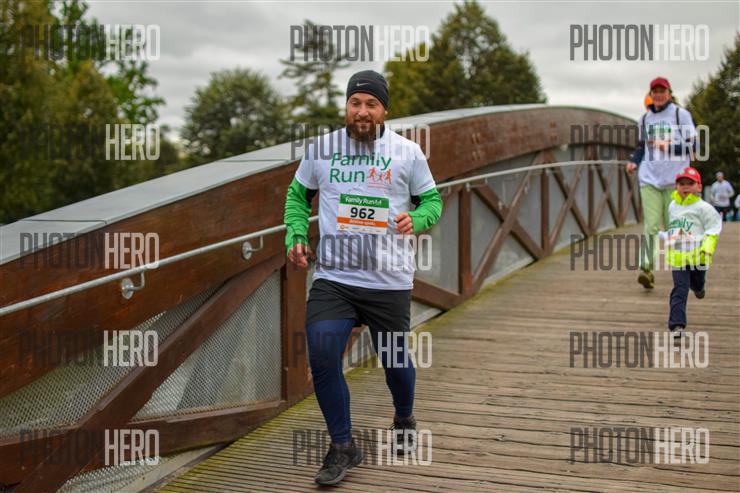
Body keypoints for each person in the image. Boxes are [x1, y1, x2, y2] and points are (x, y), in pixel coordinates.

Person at [283, 70, 443, 486]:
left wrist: (418, 218)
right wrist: (296, 233)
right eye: (355, 102)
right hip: (334, 276)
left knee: (395, 362)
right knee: (322, 353)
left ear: (384, 110)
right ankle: (343, 445)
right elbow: (298, 196)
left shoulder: (407, 152)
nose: (362, 111)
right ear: (347, 106)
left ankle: (404, 418)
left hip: (388, 279)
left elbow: (432, 201)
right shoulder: (321, 149)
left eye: (372, 104)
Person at [626, 77, 697, 289]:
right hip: (649, 179)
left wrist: (669, 147)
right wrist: (634, 161)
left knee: (674, 226)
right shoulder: (644, 119)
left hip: (676, 182)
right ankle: (646, 269)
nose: (658, 94)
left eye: (662, 91)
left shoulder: (680, 114)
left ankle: (682, 268)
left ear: (669, 93)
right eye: (655, 91)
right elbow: (641, 147)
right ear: (651, 94)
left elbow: (694, 146)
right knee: (651, 225)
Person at [665, 166, 722, 338]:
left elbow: (713, 229)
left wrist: (707, 249)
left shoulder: (704, 208)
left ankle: (699, 287)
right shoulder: (672, 205)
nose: (685, 187)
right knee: (680, 289)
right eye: (681, 183)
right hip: (679, 257)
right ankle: (677, 325)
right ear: (676, 186)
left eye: (690, 183)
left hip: (699, 256)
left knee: (697, 283)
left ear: (699, 186)